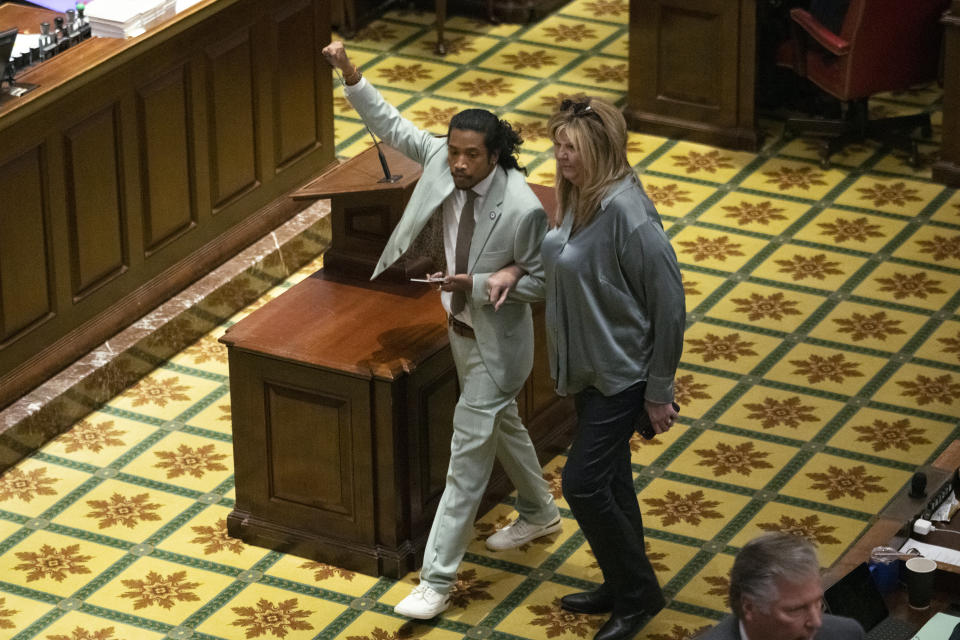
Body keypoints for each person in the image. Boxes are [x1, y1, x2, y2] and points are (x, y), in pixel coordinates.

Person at [320, 41, 561, 620]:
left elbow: (543, 286)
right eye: (453, 152)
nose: (457, 164)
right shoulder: (439, 159)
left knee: (465, 460)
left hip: (499, 348)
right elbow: (391, 124)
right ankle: (540, 512)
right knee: (504, 426)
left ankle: (436, 581)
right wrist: (351, 74)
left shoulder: (523, 207)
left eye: (470, 156)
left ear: (496, 155)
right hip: (458, 332)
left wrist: (477, 284)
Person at [487, 97, 685, 640]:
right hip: (585, 368)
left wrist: (659, 391)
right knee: (612, 479)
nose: (559, 155)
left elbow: (670, 305)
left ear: (598, 149)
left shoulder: (629, 214)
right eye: (557, 144)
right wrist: (511, 271)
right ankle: (621, 585)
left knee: (583, 482)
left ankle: (639, 594)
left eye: (568, 147)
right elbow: (562, 262)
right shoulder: (578, 197)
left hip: (624, 373)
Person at [700, 533, 865, 640]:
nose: (816, 622)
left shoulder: (845, 634)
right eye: (796, 609)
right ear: (750, 607)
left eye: (818, 603)